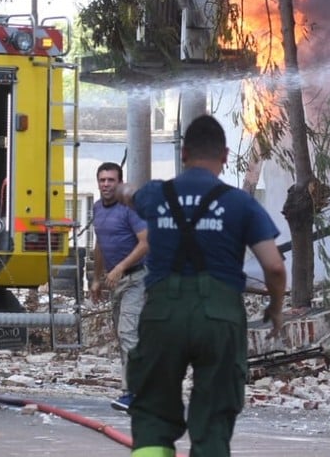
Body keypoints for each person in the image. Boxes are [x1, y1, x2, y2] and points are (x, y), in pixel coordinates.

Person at [116, 115, 286, 457]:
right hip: (219, 318)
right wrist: (276, 308)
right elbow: (274, 266)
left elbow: (128, 193)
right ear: (225, 156)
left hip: (162, 316)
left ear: (184, 154)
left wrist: (120, 191)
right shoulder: (240, 203)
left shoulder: (157, 194)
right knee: (213, 418)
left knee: (152, 411)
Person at [89, 162, 148, 412]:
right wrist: (96, 278)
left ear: (119, 182)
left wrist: (121, 267)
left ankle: (133, 393)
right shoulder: (97, 208)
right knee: (124, 335)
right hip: (115, 282)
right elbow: (100, 244)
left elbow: (146, 243)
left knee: (128, 333)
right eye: (102, 180)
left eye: (111, 180)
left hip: (137, 278)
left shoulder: (130, 208)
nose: (106, 185)